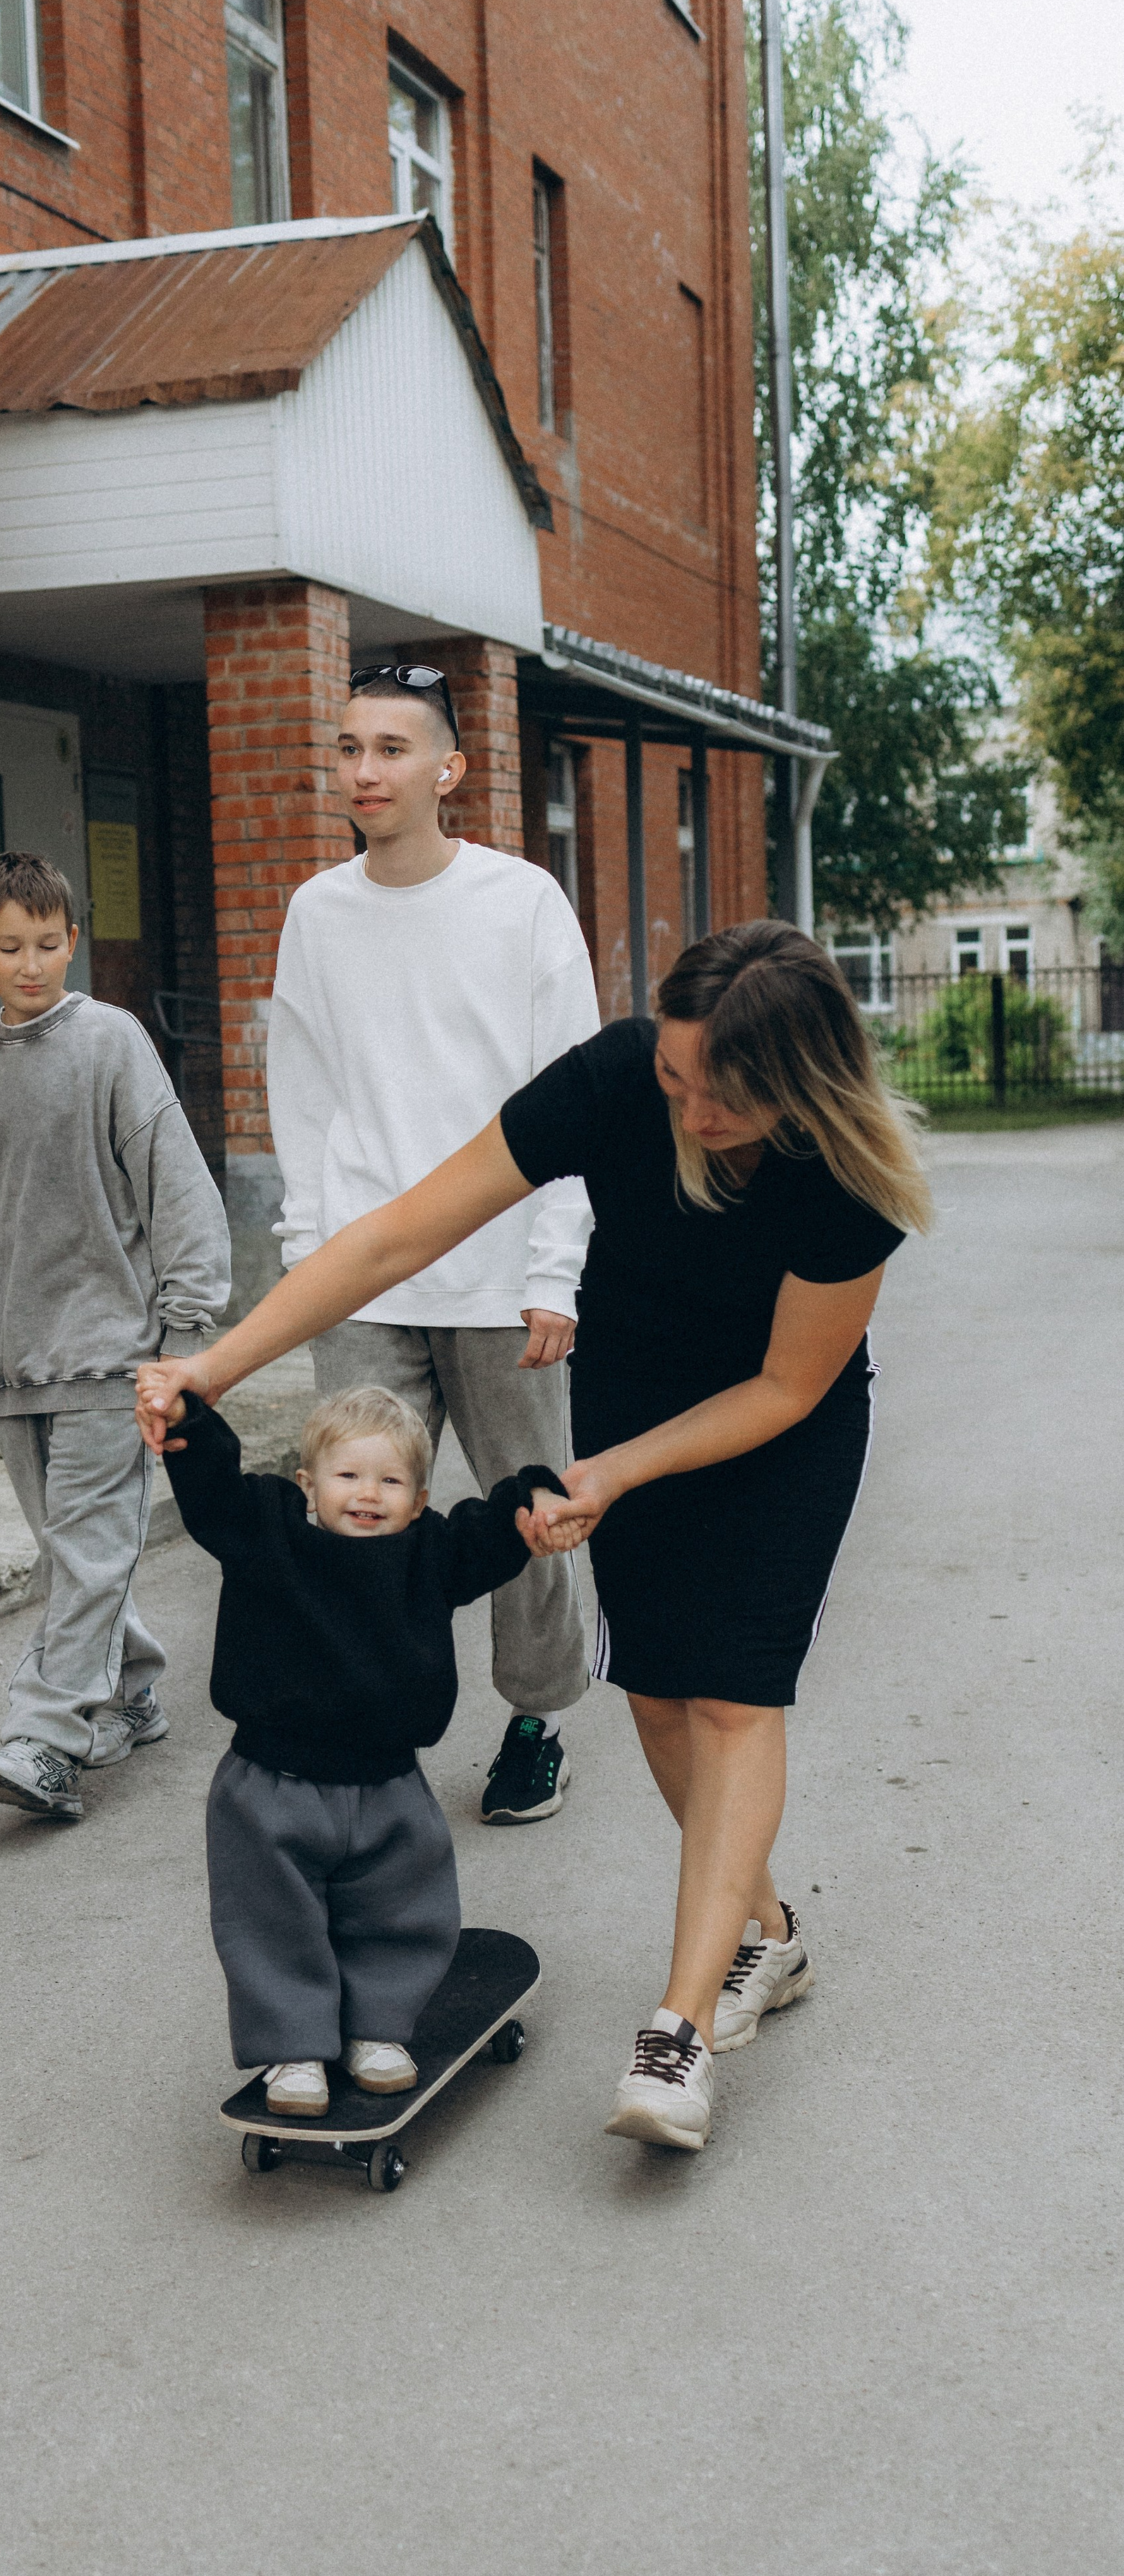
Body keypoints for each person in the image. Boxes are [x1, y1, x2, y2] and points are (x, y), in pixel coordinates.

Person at [138, 922, 930, 2150]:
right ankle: (764, 1935)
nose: (689, 1110)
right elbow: (405, 1229)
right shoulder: (616, 1077)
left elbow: (785, 1387)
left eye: (723, 1098)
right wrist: (216, 1366)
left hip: (780, 1433)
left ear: (796, 1086)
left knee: (733, 1699)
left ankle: (675, 2031)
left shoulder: (845, 1179)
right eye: (676, 1079)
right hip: (634, 1379)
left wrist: (609, 1472)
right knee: (659, 1695)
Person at [268, 660, 599, 1828]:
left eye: (393, 748)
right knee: (352, 1504)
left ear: (449, 768)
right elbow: (299, 1091)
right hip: (364, 1268)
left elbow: (575, 1095)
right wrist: (311, 1252)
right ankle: (363, 1712)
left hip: (504, 1274)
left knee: (533, 1510)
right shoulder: (319, 913)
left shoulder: (520, 904)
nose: (365, 770)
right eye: (350, 747)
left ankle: (537, 1717)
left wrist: (556, 1263)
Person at [0, 850, 229, 1823]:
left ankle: (44, 1740)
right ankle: (126, 1690)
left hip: (110, 1358)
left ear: (72, 941)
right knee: (70, 1551)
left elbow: (179, 1188)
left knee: (87, 1551)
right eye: (10, 947)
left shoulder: (113, 1043)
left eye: (49, 944)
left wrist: (182, 1337)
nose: (32, 963)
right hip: (12, 1363)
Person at [162, 1378, 566, 2118]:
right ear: (307, 1484)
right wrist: (186, 1416)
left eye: (391, 1480)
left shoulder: (428, 1551)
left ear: (417, 1499)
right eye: (348, 1475)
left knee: (400, 1908)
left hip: (389, 1786)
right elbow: (211, 1487)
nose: (368, 1493)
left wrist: (535, 1496)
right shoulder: (265, 1530)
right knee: (268, 1919)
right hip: (267, 1785)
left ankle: (377, 2030)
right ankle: (293, 2044)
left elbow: (487, 1531)